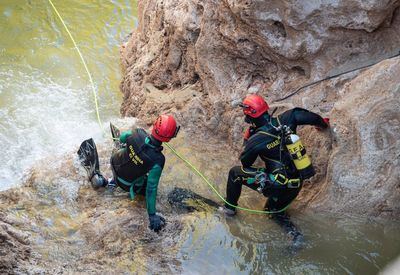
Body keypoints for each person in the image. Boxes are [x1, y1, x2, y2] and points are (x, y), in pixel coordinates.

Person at [220, 94, 329, 239]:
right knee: (272, 211)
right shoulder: (290, 116)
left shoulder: (255, 140)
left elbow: (246, 164)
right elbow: (315, 118)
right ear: (266, 109)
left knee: (235, 173)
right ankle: (295, 236)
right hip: (296, 184)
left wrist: (247, 140)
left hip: (276, 183)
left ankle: (229, 209)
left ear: (249, 117)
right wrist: (323, 125)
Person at [78, 114, 180, 232]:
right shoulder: (158, 160)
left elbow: (122, 138)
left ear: (154, 125)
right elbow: (151, 189)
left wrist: (131, 147)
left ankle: (105, 181)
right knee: (152, 189)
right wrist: (152, 216)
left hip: (114, 163)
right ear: (169, 138)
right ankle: (112, 182)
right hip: (126, 185)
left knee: (126, 148)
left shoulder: (138, 133)